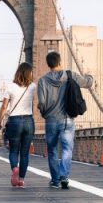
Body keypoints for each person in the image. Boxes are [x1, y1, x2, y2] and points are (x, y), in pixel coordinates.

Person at [36, 51, 93, 190]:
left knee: (52, 150)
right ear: (59, 62)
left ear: (48, 64)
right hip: (67, 120)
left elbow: (41, 103)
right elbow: (88, 83)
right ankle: (64, 176)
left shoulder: (42, 81)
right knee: (67, 149)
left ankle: (55, 181)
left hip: (51, 120)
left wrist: (45, 114)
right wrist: (89, 75)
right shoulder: (70, 75)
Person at [0, 62, 37, 188]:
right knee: (24, 153)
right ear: (29, 73)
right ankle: (21, 180)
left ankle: (15, 168)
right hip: (29, 121)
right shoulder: (33, 87)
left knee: (14, 150)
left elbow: (4, 106)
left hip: (14, 122)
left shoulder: (10, 87)